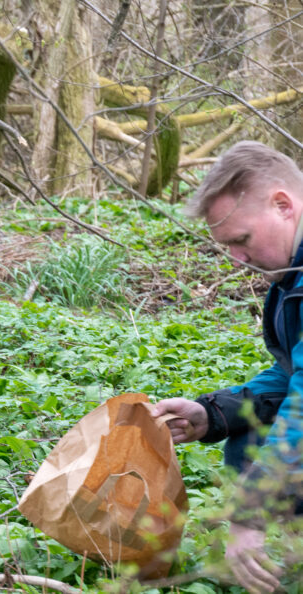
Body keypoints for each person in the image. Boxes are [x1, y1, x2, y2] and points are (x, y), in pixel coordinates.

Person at [153, 141, 303, 592]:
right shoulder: (290, 275)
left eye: (241, 240)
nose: (238, 260)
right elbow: (289, 375)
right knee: (246, 440)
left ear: (283, 205)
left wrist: (250, 513)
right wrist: (213, 413)